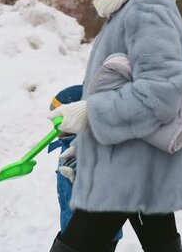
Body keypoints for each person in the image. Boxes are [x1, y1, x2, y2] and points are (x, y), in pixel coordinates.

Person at [47, 0, 182, 252]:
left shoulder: (146, 6)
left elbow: (161, 91)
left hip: (127, 166)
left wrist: (91, 113)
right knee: (160, 241)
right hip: (136, 158)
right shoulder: (130, 7)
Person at [47, 85, 123, 252]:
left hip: (97, 233)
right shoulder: (67, 143)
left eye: (58, 117)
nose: (54, 122)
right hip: (73, 226)